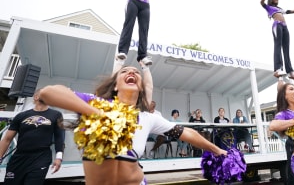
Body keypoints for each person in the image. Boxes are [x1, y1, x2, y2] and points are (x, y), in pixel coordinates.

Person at [37, 64, 227, 185]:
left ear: (141, 87)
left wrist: (216, 150)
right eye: (125, 71)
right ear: (116, 85)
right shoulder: (94, 103)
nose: (131, 72)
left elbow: (186, 132)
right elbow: (48, 93)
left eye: (136, 72)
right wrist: (98, 114)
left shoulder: (146, 117)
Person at [0, 89, 65, 185]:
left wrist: (59, 158)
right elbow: (7, 139)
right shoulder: (21, 116)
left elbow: (59, 137)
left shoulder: (56, 115)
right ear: (36, 97)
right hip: (19, 157)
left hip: (41, 157)